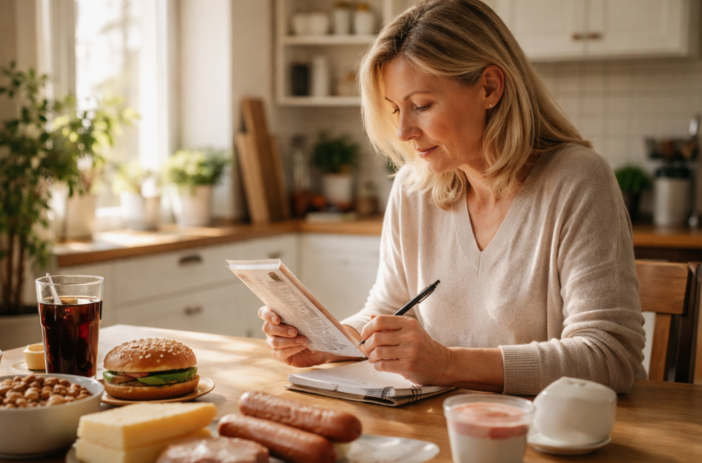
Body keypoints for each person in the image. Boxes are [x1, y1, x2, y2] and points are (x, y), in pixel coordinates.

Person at [259, 0, 645, 395]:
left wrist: (447, 364)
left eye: (421, 106)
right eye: (395, 110)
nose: (404, 131)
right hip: (447, 426)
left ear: (490, 88)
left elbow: (610, 355)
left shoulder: (577, 180)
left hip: (558, 435)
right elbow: (388, 310)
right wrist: (330, 345)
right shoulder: (413, 188)